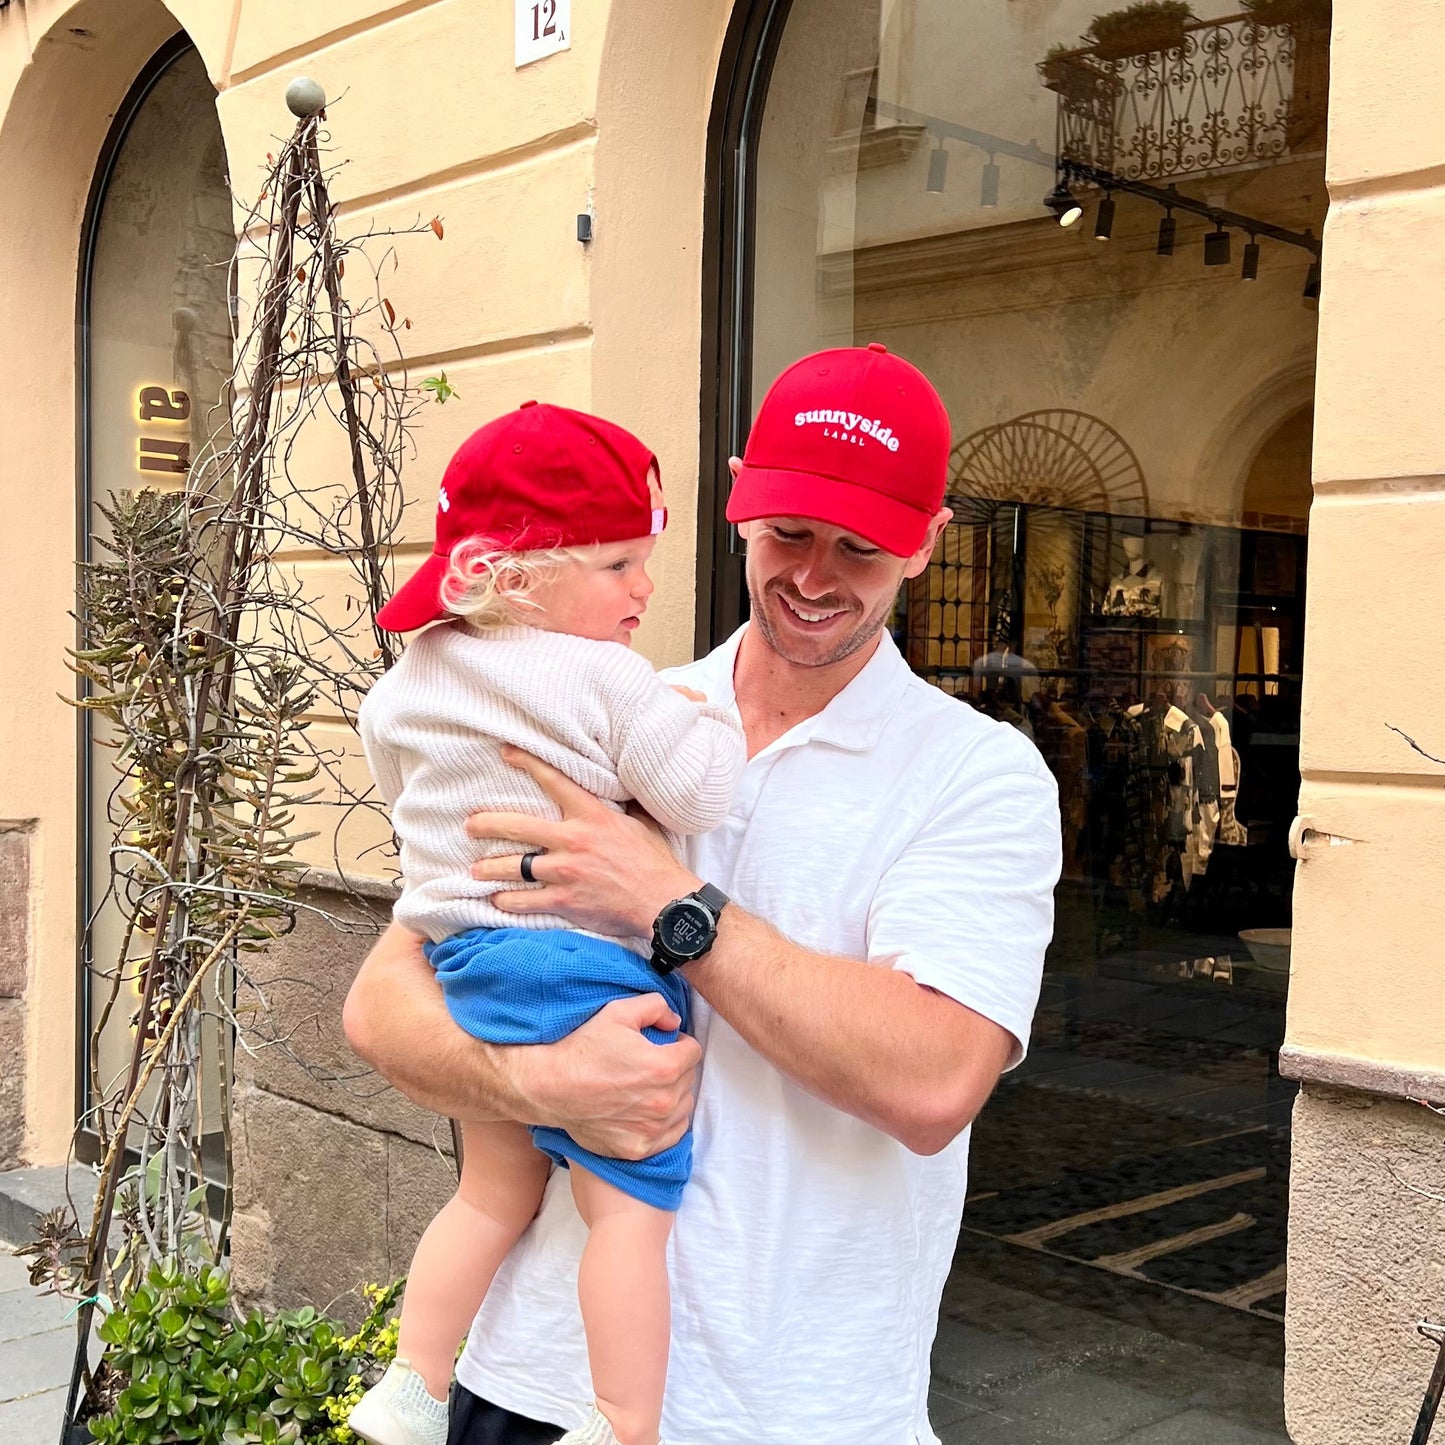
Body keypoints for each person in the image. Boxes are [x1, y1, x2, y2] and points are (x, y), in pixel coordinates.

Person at [344, 343, 1063, 1445]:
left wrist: (670, 902)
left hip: (796, 1410)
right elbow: (380, 1004)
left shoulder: (975, 774)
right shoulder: (608, 705)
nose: (813, 577)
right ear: (738, 501)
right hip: (534, 1377)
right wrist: (537, 1077)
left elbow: (933, 1081)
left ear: (927, 541)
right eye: (789, 533)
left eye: (860, 548)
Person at [348, 402, 746, 1445]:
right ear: (518, 577)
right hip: (580, 969)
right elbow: (697, 794)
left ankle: (414, 1381)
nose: (644, 587)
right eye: (618, 564)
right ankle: (621, 1420)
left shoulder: (410, 679)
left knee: (490, 1192)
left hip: (467, 965)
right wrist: (711, 715)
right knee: (630, 1214)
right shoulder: (605, 675)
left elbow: (396, 778)